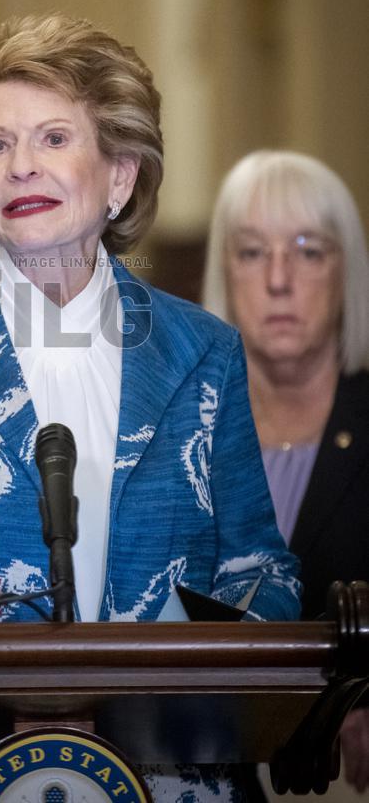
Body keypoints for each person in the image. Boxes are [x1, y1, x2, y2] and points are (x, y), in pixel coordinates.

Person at [0, 14, 300, 803]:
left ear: (120, 176)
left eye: (54, 140)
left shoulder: (203, 351)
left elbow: (261, 572)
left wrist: (181, 678)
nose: (19, 167)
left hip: (165, 775)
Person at [203, 150, 369, 794]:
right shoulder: (180, 430)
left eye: (307, 250)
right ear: (224, 271)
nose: (278, 278)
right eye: (251, 252)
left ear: (346, 270)